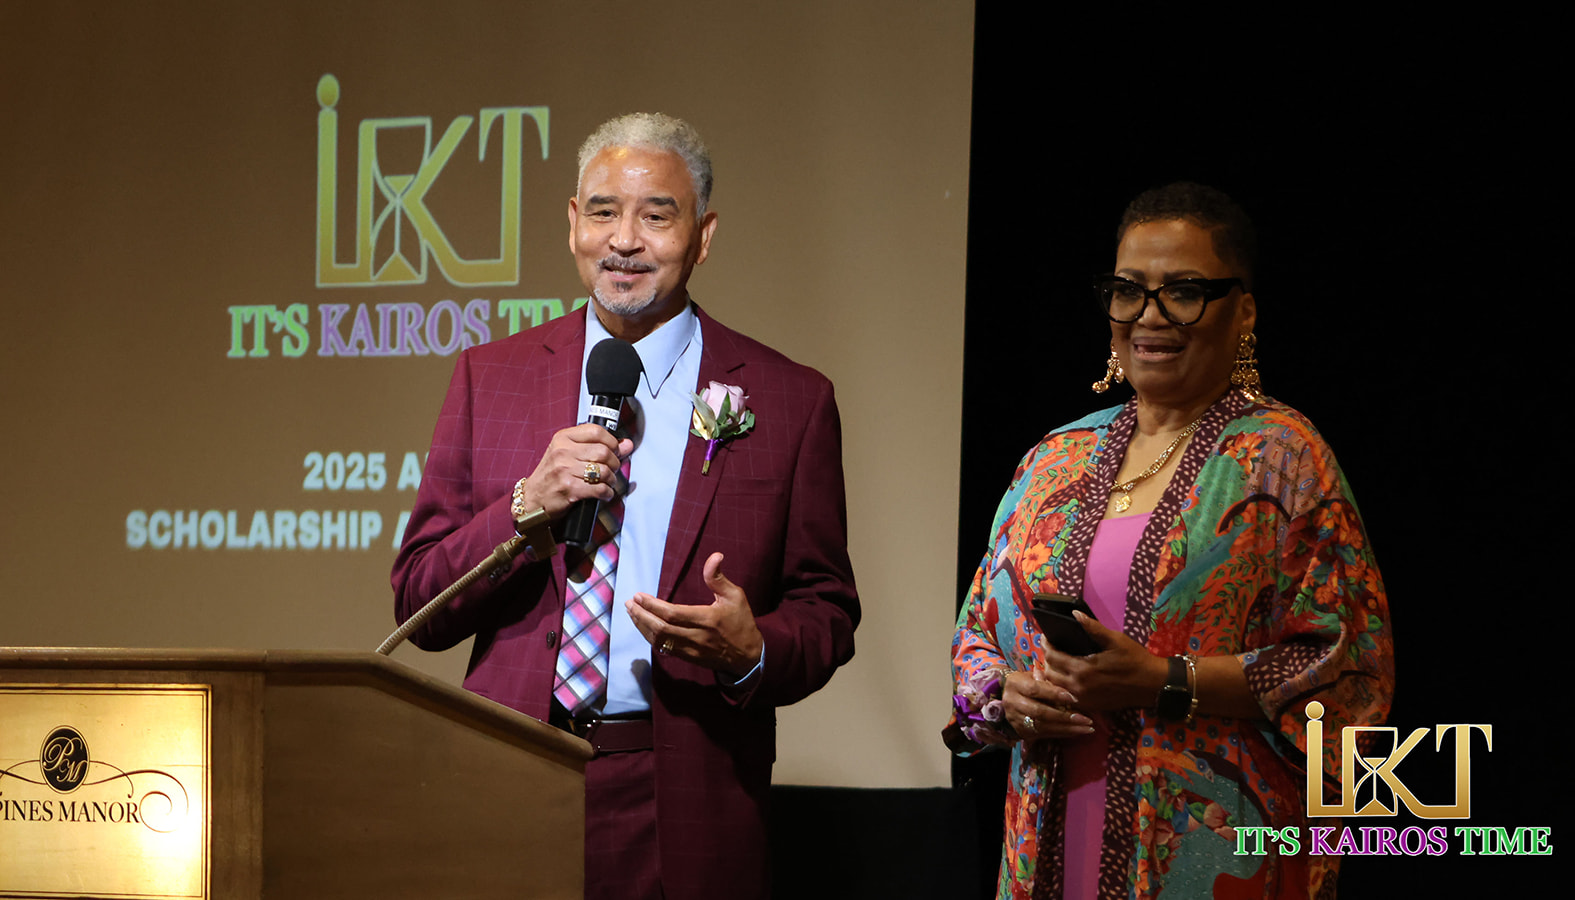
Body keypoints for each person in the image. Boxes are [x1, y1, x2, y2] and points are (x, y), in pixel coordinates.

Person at [393, 112, 859, 900]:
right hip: (511, 767)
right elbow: (419, 602)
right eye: (604, 211)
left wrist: (752, 648)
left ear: (703, 236)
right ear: (573, 224)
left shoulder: (789, 399)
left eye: (657, 214)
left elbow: (827, 610)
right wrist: (522, 509)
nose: (625, 241)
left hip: (683, 787)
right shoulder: (490, 376)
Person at [945, 183, 1393, 900]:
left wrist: (1167, 682)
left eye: (1183, 291)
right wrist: (1005, 697)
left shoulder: (1283, 458)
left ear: (1243, 310)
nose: (1149, 317)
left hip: (1212, 854)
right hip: (1046, 842)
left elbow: (1350, 672)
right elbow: (975, 638)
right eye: (1129, 291)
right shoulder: (1053, 458)